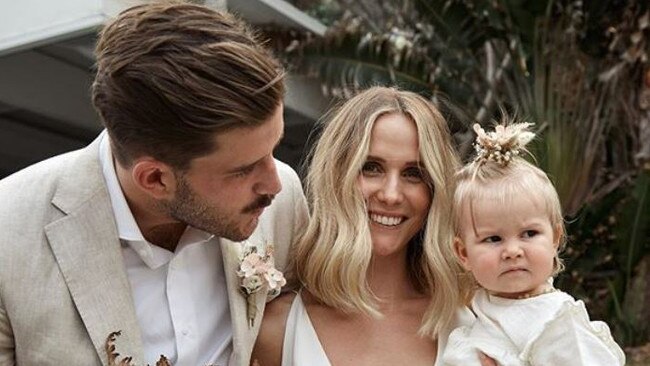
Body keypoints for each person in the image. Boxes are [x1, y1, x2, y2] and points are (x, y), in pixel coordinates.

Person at [0, 3, 307, 366]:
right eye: (243, 169)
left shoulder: (282, 204)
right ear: (156, 179)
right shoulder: (9, 235)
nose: (274, 184)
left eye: (273, 148)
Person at [252, 86, 498, 366]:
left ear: (434, 192)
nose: (391, 194)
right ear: (337, 176)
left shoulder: (476, 329)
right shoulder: (276, 330)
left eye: (413, 173)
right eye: (371, 167)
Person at [441, 122, 626, 365]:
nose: (513, 251)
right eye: (493, 239)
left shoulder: (556, 322)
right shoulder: (477, 311)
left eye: (529, 233)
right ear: (463, 253)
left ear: (555, 238)